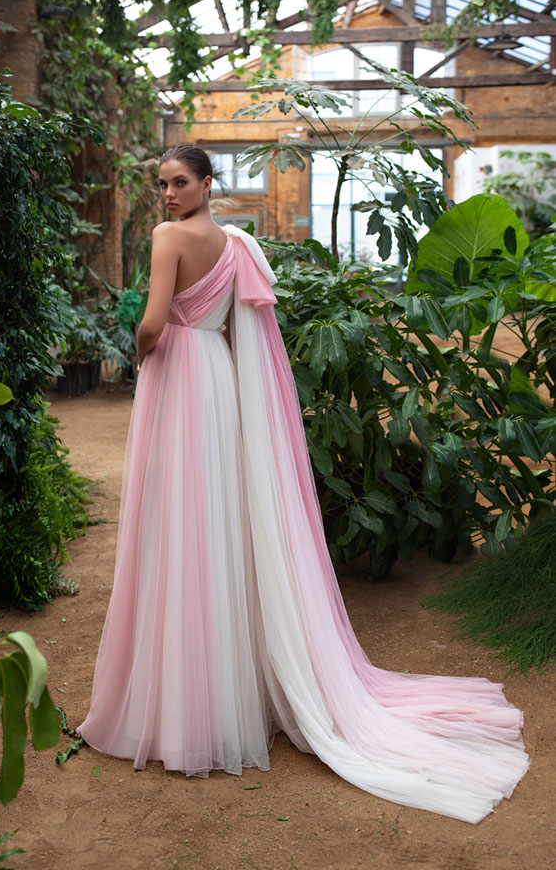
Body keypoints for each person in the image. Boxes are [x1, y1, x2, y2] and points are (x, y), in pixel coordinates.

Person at [77, 144, 529, 823]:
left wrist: (140, 348)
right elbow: (237, 326)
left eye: (178, 182)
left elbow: (150, 321)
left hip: (178, 376)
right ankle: (232, 699)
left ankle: (183, 708)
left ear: (206, 181)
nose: (167, 194)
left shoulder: (168, 237)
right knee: (218, 520)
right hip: (220, 379)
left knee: (178, 523)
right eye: (161, 184)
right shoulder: (235, 245)